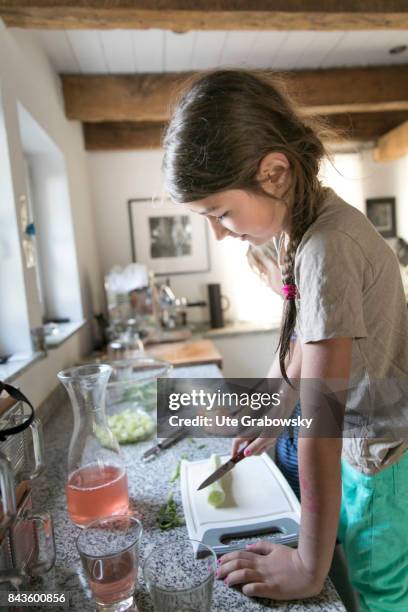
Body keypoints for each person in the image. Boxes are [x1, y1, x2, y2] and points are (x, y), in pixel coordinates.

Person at [162, 69, 408, 611]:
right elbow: (300, 344)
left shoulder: (326, 248)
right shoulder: (303, 232)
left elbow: (323, 419)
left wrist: (305, 566)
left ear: (274, 173)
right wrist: (272, 418)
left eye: (220, 212)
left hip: (381, 459)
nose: (220, 233)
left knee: (379, 593)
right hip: (359, 450)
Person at [247, 243, 301, 500]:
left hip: (307, 418)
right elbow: (278, 370)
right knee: (291, 487)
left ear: (282, 263)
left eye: (263, 271)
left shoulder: (310, 304)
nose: (264, 281)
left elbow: (299, 374)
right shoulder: (290, 307)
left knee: (308, 484)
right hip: (290, 422)